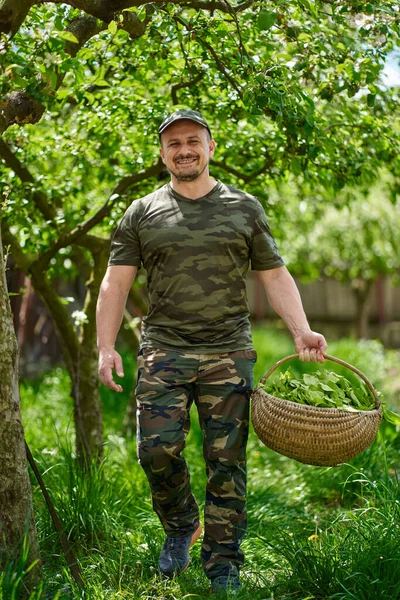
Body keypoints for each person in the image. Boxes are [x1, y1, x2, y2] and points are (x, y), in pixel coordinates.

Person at [96, 109, 327, 593]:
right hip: (164, 349)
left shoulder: (244, 208)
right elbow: (115, 284)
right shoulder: (142, 211)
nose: (184, 150)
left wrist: (301, 330)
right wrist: (104, 347)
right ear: (162, 154)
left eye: (193, 141)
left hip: (229, 351)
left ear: (211, 147)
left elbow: (273, 274)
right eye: (174, 143)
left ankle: (223, 563)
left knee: (227, 462)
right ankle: (182, 525)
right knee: (155, 451)